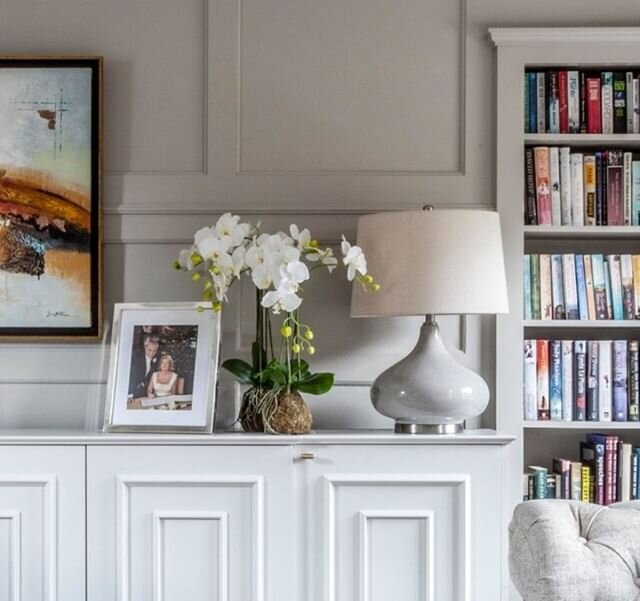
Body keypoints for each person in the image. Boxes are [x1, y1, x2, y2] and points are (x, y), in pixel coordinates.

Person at [128, 334, 161, 398]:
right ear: (145, 347)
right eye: (149, 350)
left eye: (154, 351)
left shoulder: (158, 359)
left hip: (145, 393)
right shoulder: (135, 356)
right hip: (130, 391)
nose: (151, 353)